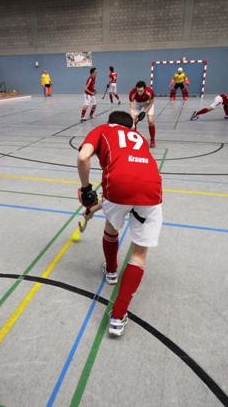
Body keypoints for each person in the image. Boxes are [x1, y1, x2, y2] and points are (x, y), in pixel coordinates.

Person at [77, 110, 163, 337]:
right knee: (139, 254)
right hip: (151, 187)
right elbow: (133, 179)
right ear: (131, 127)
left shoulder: (102, 129)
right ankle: (117, 317)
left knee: (111, 225)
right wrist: (94, 208)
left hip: (116, 188)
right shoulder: (140, 137)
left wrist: (86, 190)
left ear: (110, 123)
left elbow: (83, 157)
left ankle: (112, 271)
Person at [128, 80, 157, 148]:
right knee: (132, 121)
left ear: (144, 89)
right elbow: (132, 108)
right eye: (138, 91)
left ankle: (152, 140)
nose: (139, 92)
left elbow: (151, 103)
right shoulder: (132, 93)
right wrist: (132, 121)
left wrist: (144, 112)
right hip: (137, 103)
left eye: (141, 91)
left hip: (148, 103)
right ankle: (134, 140)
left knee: (150, 121)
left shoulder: (150, 92)